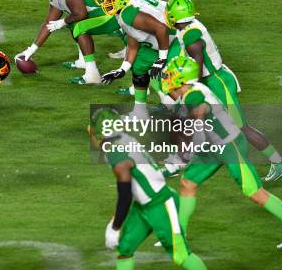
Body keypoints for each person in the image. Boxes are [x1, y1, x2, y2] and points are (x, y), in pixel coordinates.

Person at [161, 55, 282, 248]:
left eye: (171, 76)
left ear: (182, 80)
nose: (167, 79)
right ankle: (179, 234)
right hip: (212, 146)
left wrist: (187, 149)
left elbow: (199, 114)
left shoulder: (194, 96)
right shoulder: (188, 95)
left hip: (230, 146)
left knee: (254, 192)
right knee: (188, 182)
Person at [164, 0, 282, 181]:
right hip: (213, 80)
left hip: (217, 82)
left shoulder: (191, 38)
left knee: (241, 127)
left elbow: (197, 70)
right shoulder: (188, 28)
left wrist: (189, 92)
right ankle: (182, 158)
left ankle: (279, 162)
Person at [88, 108, 207, 270]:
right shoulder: (123, 140)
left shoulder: (117, 154)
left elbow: (125, 195)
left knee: (181, 254)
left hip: (160, 204)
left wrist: (115, 226)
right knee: (125, 249)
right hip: (142, 206)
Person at [14, 0, 122, 84]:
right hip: (104, 11)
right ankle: (83, 61)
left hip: (113, 14)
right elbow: (49, 23)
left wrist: (62, 22)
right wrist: (31, 50)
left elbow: (81, 13)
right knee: (73, 22)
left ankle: (92, 74)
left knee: (78, 26)